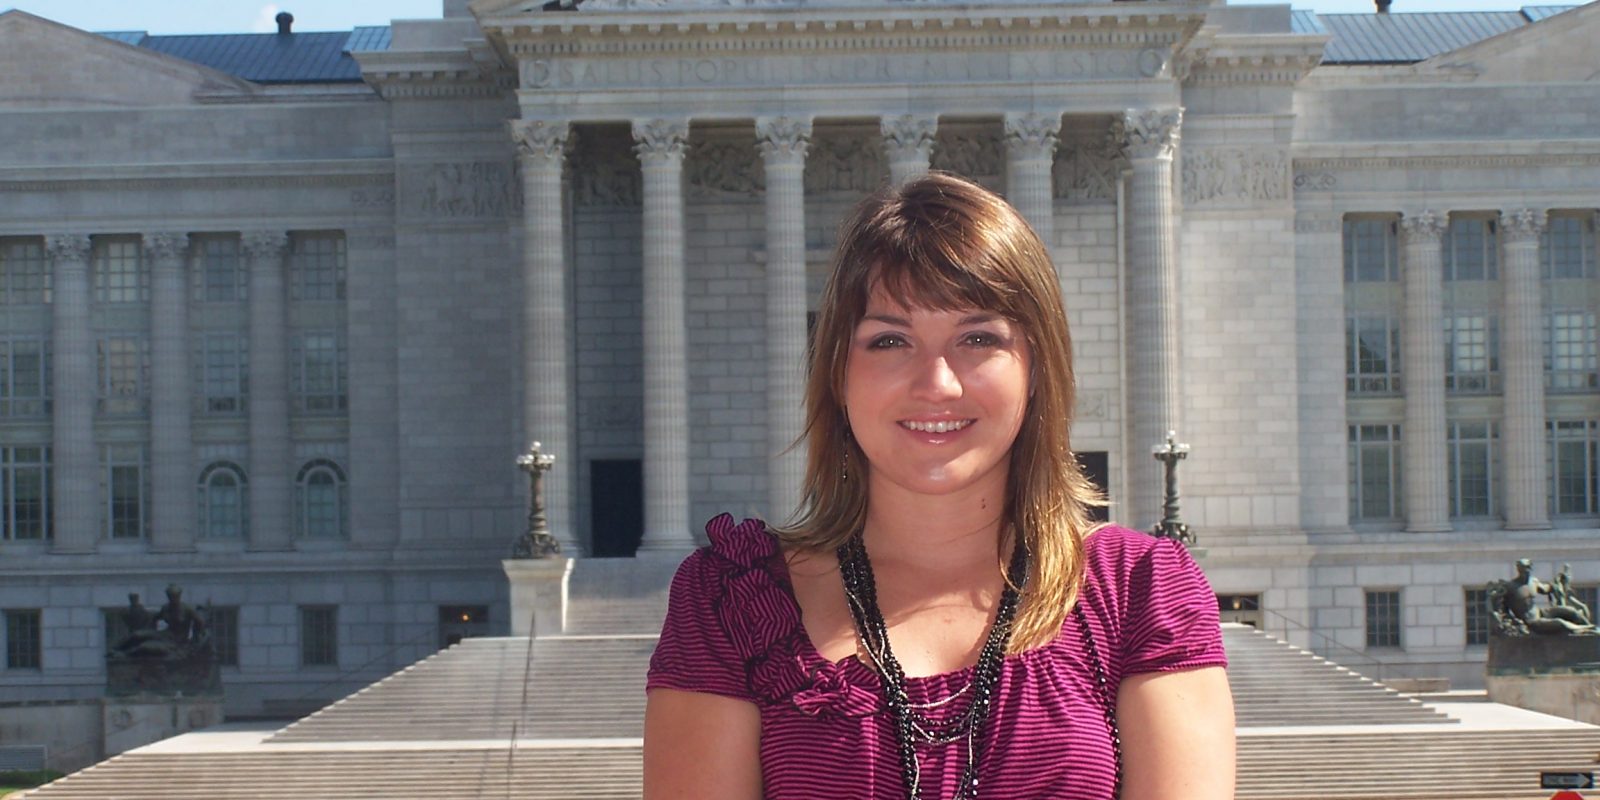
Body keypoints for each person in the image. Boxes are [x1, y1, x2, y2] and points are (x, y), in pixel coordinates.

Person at [644, 172, 1235, 799]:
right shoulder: (732, 602)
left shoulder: (1140, 591)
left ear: (1037, 368)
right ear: (838, 373)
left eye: (978, 338)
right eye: (889, 340)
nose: (937, 384)